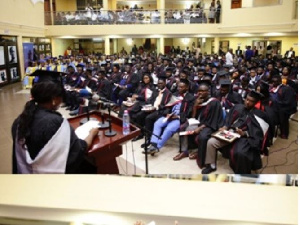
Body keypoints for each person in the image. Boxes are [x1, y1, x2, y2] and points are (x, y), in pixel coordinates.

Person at [11, 71, 99, 174]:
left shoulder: (20, 120)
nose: (62, 100)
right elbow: (78, 150)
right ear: (54, 99)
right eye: (61, 97)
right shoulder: (56, 123)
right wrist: (92, 133)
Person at [203, 90, 269, 174]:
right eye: (247, 99)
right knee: (211, 142)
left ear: (255, 103)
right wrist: (225, 127)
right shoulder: (237, 107)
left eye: (251, 101)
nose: (247, 102)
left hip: (244, 138)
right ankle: (211, 165)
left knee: (240, 153)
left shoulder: (259, 115)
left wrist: (245, 133)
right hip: (230, 133)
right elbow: (228, 119)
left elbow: (258, 133)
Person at [173, 81, 223, 161]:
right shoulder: (197, 100)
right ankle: (184, 151)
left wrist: (200, 128)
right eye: (199, 91)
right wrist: (195, 106)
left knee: (202, 136)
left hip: (208, 125)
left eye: (203, 91)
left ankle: (199, 152)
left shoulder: (214, 103)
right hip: (198, 123)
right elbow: (193, 117)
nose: (200, 93)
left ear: (208, 92)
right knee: (183, 127)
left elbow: (213, 120)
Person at [145, 79, 195, 155]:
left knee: (169, 129)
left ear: (187, 87)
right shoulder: (174, 94)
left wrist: (177, 116)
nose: (179, 89)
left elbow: (189, 112)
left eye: (182, 87)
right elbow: (168, 106)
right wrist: (168, 113)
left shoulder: (191, 98)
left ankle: (157, 147)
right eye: (178, 87)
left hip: (179, 118)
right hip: (169, 116)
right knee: (157, 123)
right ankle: (154, 143)